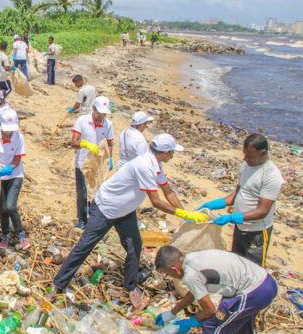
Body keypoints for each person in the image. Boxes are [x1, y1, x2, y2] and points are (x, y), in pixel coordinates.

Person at [50, 134, 208, 307]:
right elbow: (156, 201)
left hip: (126, 211)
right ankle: (58, 284)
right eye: (172, 153)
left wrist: (186, 212)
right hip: (106, 208)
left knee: (134, 246)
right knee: (84, 246)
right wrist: (182, 214)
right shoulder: (144, 165)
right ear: (165, 152)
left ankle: (130, 285)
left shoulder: (157, 165)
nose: (173, 156)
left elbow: (167, 190)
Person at [154, 246, 277, 334]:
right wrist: (172, 313)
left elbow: (210, 310)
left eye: (168, 273)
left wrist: (190, 322)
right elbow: (195, 292)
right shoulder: (192, 258)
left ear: (174, 269)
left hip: (254, 291)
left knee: (213, 326)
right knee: (241, 324)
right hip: (265, 282)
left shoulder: (191, 275)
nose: (170, 276)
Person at [198, 133, 284, 267]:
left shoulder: (271, 175)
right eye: (244, 154)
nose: (245, 159)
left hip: (257, 232)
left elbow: (262, 211)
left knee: (253, 269)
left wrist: (232, 218)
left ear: (263, 153)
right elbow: (235, 195)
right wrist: (212, 205)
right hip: (240, 228)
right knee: (237, 265)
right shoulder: (246, 166)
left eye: (250, 156)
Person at [0, 109, 30, 250]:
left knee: (10, 205)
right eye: (6, 131)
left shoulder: (19, 138)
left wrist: (10, 167)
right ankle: (5, 235)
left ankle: (21, 234)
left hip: (14, 175)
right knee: (2, 209)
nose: (8, 134)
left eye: (11, 131)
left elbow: (17, 160)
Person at [71, 96, 115, 230]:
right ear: (94, 109)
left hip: (98, 164)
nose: (102, 116)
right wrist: (85, 144)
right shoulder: (82, 121)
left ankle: (94, 218)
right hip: (82, 162)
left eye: (104, 113)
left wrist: (109, 158)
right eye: (100, 112)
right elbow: (74, 143)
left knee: (97, 192)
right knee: (83, 193)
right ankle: (82, 219)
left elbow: (110, 143)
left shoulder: (108, 125)